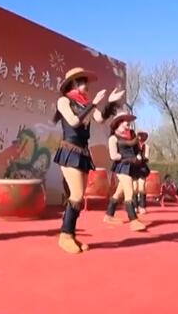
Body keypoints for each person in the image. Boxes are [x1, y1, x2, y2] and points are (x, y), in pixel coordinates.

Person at [53, 67, 123, 253]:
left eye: (86, 81)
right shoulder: (63, 101)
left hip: (83, 152)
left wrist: (111, 103)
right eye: (82, 81)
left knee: (78, 198)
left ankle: (70, 234)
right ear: (73, 84)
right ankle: (65, 236)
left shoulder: (86, 103)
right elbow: (74, 122)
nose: (86, 85)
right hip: (69, 150)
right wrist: (93, 105)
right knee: (76, 195)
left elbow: (100, 119)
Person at [104, 110, 148, 234]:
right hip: (122, 166)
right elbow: (113, 156)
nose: (128, 123)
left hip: (132, 166)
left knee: (118, 192)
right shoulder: (113, 138)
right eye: (125, 120)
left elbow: (137, 150)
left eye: (128, 120)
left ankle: (108, 215)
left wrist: (138, 156)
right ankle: (133, 220)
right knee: (129, 191)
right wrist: (128, 158)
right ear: (118, 123)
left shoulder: (132, 135)